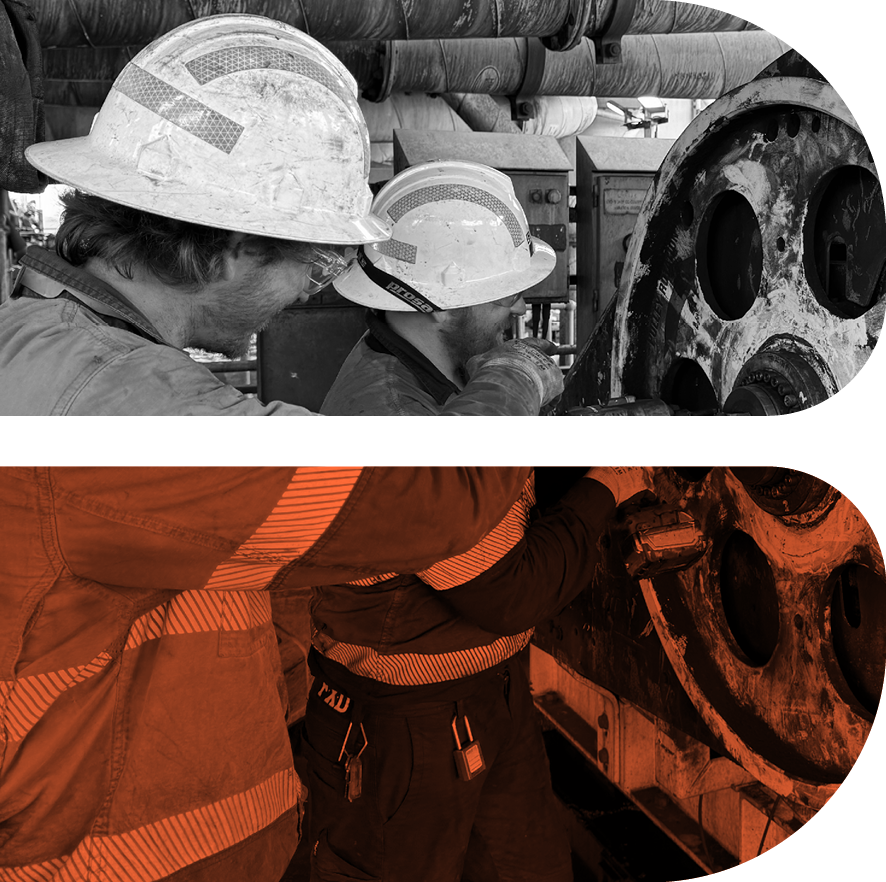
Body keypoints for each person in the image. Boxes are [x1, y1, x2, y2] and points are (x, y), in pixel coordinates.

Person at [0, 466, 550, 882]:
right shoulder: (78, 465)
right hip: (114, 861)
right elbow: (449, 534)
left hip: (242, 834)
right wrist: (516, 388)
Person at [0, 16, 558, 416]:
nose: (305, 292)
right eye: (313, 265)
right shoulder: (146, 398)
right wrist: (518, 376)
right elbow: (415, 496)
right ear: (235, 248)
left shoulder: (38, 328)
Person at [296, 466, 656, 881]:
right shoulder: (401, 426)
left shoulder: (467, 410)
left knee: (531, 870)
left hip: (493, 692)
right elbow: (513, 592)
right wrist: (608, 483)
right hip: (397, 729)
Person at [321, 160, 564, 415]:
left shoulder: (428, 362)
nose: (521, 308)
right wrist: (516, 382)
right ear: (441, 304)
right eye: (507, 295)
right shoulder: (392, 407)